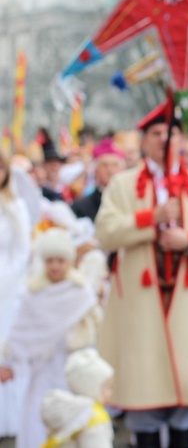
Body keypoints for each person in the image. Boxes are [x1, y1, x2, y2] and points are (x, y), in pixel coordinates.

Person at [94, 95, 188, 448]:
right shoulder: (123, 185)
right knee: (144, 399)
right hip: (142, 306)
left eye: (170, 133)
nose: (163, 139)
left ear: (182, 140)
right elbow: (106, 232)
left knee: (185, 401)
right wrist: (150, 220)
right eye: (155, 133)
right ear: (143, 140)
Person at [0, 228, 100, 448]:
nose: (55, 266)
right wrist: (8, 362)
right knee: (38, 418)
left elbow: (93, 327)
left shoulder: (80, 292)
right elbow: (22, 331)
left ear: (70, 261)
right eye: (50, 260)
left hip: (71, 369)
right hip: (42, 370)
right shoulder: (33, 293)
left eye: (60, 260)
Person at [0, 151, 33, 440]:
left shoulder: (16, 206)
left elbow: (23, 251)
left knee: (9, 348)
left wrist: (6, 282)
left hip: (10, 288)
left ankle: (11, 418)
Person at [40, 348, 115, 448]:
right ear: (91, 387)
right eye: (106, 388)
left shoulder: (69, 410)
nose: (110, 393)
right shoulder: (95, 418)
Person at [70, 138, 126, 222]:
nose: (110, 170)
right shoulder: (80, 206)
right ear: (95, 171)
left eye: (115, 165)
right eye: (104, 165)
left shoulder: (131, 202)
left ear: (123, 170)